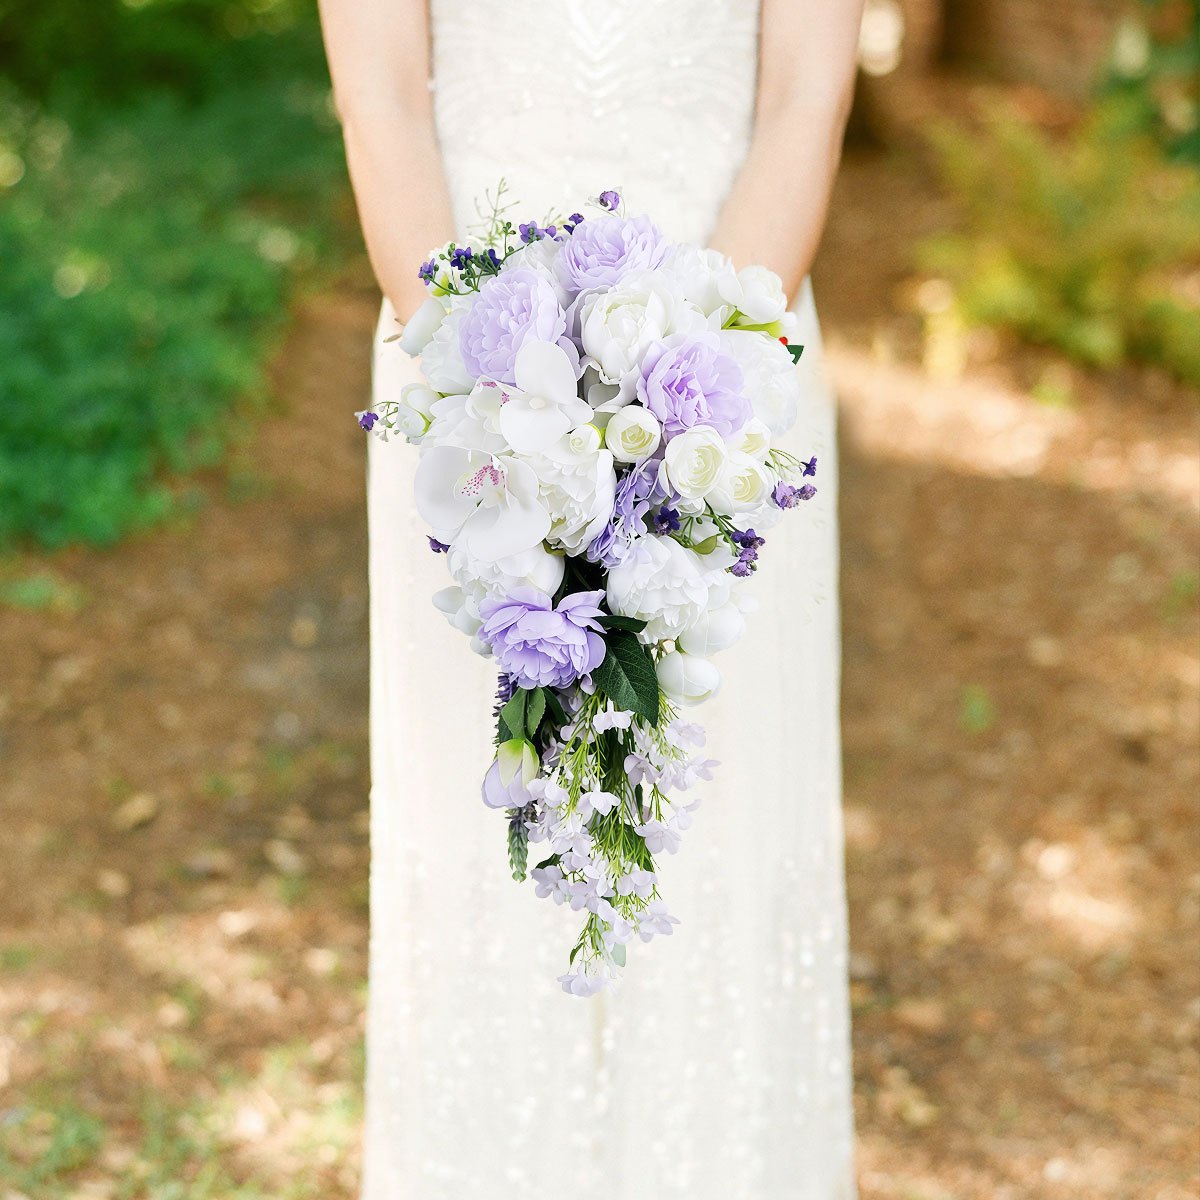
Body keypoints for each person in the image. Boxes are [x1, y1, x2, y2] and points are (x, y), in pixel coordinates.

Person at [318, 2, 865, 1196]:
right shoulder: (467, 388)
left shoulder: (719, 382)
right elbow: (385, 99)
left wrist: (694, 394)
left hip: (733, 379)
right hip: (463, 387)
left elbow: (803, 99)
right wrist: (488, 392)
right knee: (492, 800)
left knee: (719, 801)